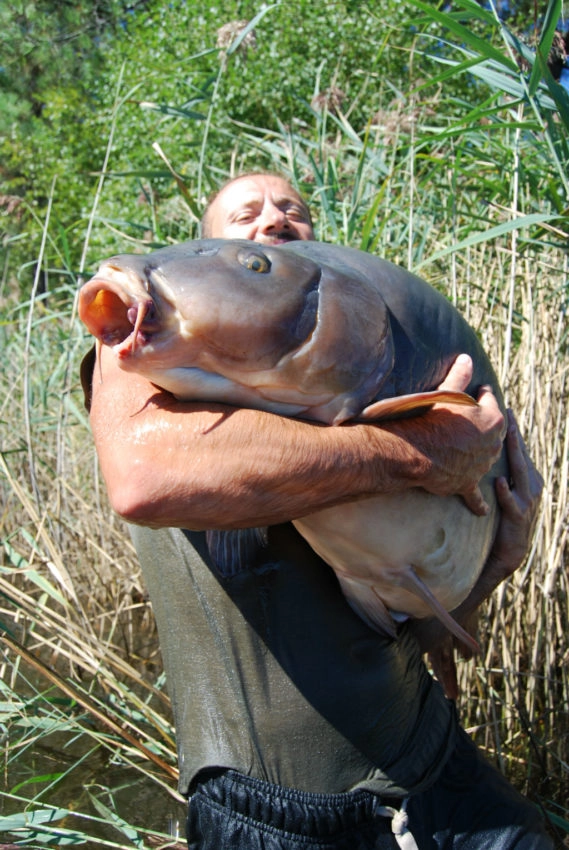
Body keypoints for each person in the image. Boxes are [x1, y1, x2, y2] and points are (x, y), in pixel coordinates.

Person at [84, 172, 551, 848]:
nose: (273, 220)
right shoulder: (134, 348)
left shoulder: (380, 356)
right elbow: (142, 479)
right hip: (273, 811)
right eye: (244, 218)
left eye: (291, 210)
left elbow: (428, 629)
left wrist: (500, 557)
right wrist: (412, 453)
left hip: (430, 753)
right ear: (197, 247)